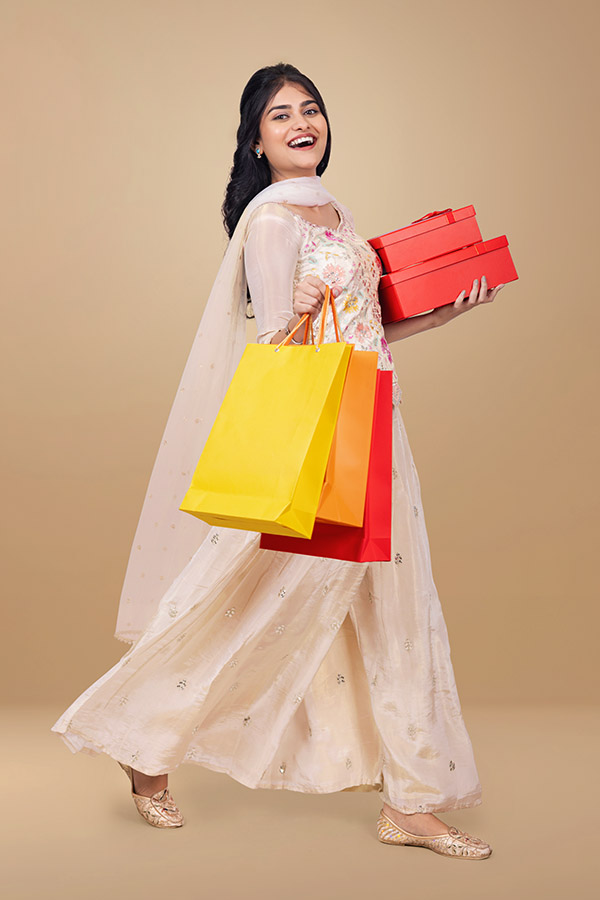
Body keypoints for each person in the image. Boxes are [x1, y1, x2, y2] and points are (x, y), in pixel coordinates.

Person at [51, 63, 505, 859]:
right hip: (318, 438)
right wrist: (289, 313)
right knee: (250, 599)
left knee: (396, 606)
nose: (302, 123)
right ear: (256, 141)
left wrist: (441, 314)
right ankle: (140, 738)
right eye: (281, 115)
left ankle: (411, 801)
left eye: (311, 109)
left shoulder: (336, 210)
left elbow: (364, 332)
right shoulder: (269, 220)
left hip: (374, 420)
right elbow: (274, 351)